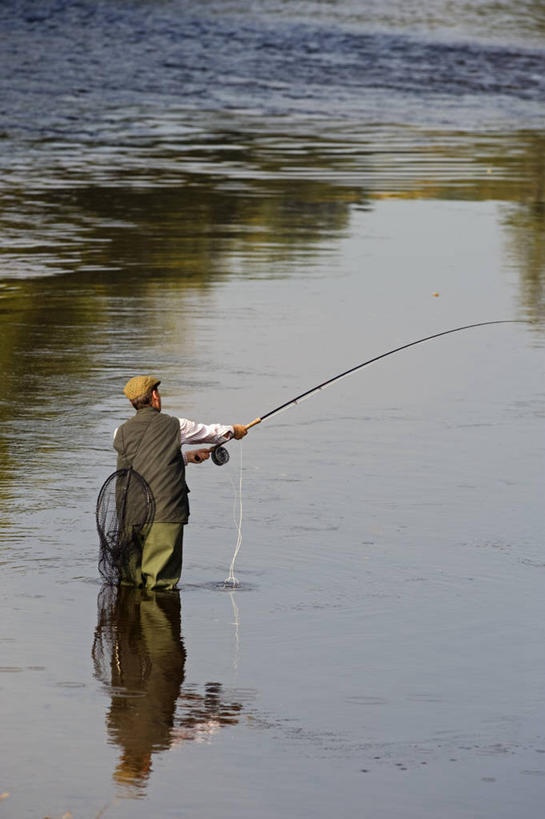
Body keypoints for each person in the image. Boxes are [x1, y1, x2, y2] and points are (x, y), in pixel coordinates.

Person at [113, 374, 247, 589]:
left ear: (132, 402)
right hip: (164, 514)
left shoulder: (119, 432)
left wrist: (186, 457)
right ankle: (159, 612)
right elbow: (212, 434)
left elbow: (144, 460)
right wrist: (235, 430)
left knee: (129, 583)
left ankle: (128, 612)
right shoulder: (176, 426)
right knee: (160, 585)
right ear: (155, 396)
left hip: (129, 513)